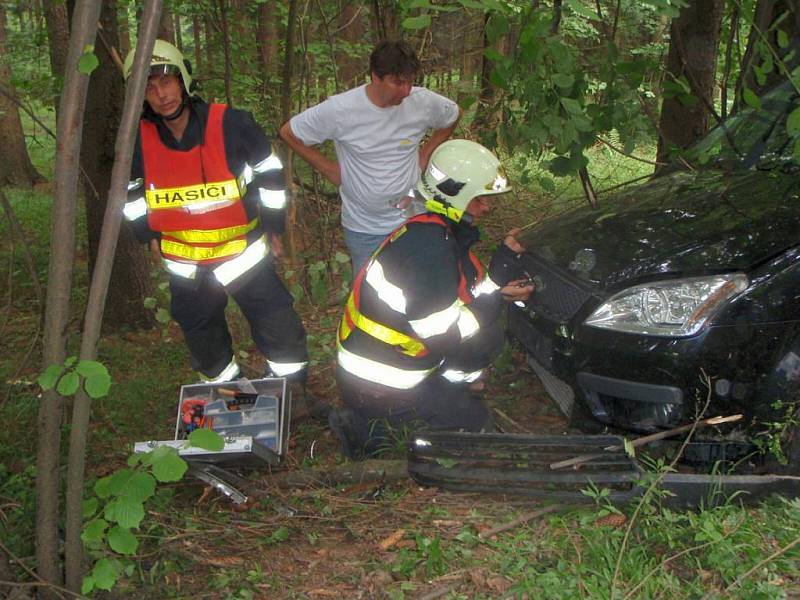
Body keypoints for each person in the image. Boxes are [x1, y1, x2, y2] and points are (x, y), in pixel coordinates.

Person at [330, 139, 534, 459]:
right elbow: (447, 336)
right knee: (474, 427)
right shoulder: (431, 251)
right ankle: (367, 427)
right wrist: (497, 302)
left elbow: (466, 297)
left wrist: (503, 265)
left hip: (384, 365)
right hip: (379, 383)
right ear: (457, 197)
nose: (487, 206)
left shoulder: (433, 231)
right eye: (479, 198)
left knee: (487, 335)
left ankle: (443, 395)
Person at [121, 40, 309, 387]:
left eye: (166, 81)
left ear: (183, 79)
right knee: (201, 332)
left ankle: (292, 391)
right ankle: (225, 392)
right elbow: (131, 194)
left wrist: (275, 228)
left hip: (244, 252)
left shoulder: (232, 124)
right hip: (185, 263)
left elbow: (270, 176)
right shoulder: (135, 141)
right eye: (149, 87)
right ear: (138, 96)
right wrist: (146, 235)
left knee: (275, 320)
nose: (161, 95)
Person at [279, 40, 462, 273]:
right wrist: (331, 171)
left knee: (418, 287)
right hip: (365, 227)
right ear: (376, 76)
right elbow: (289, 132)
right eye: (397, 82)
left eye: (410, 81)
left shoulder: (422, 102)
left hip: (413, 218)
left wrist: (425, 155)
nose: (405, 91)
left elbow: (453, 115)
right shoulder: (341, 109)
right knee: (369, 297)